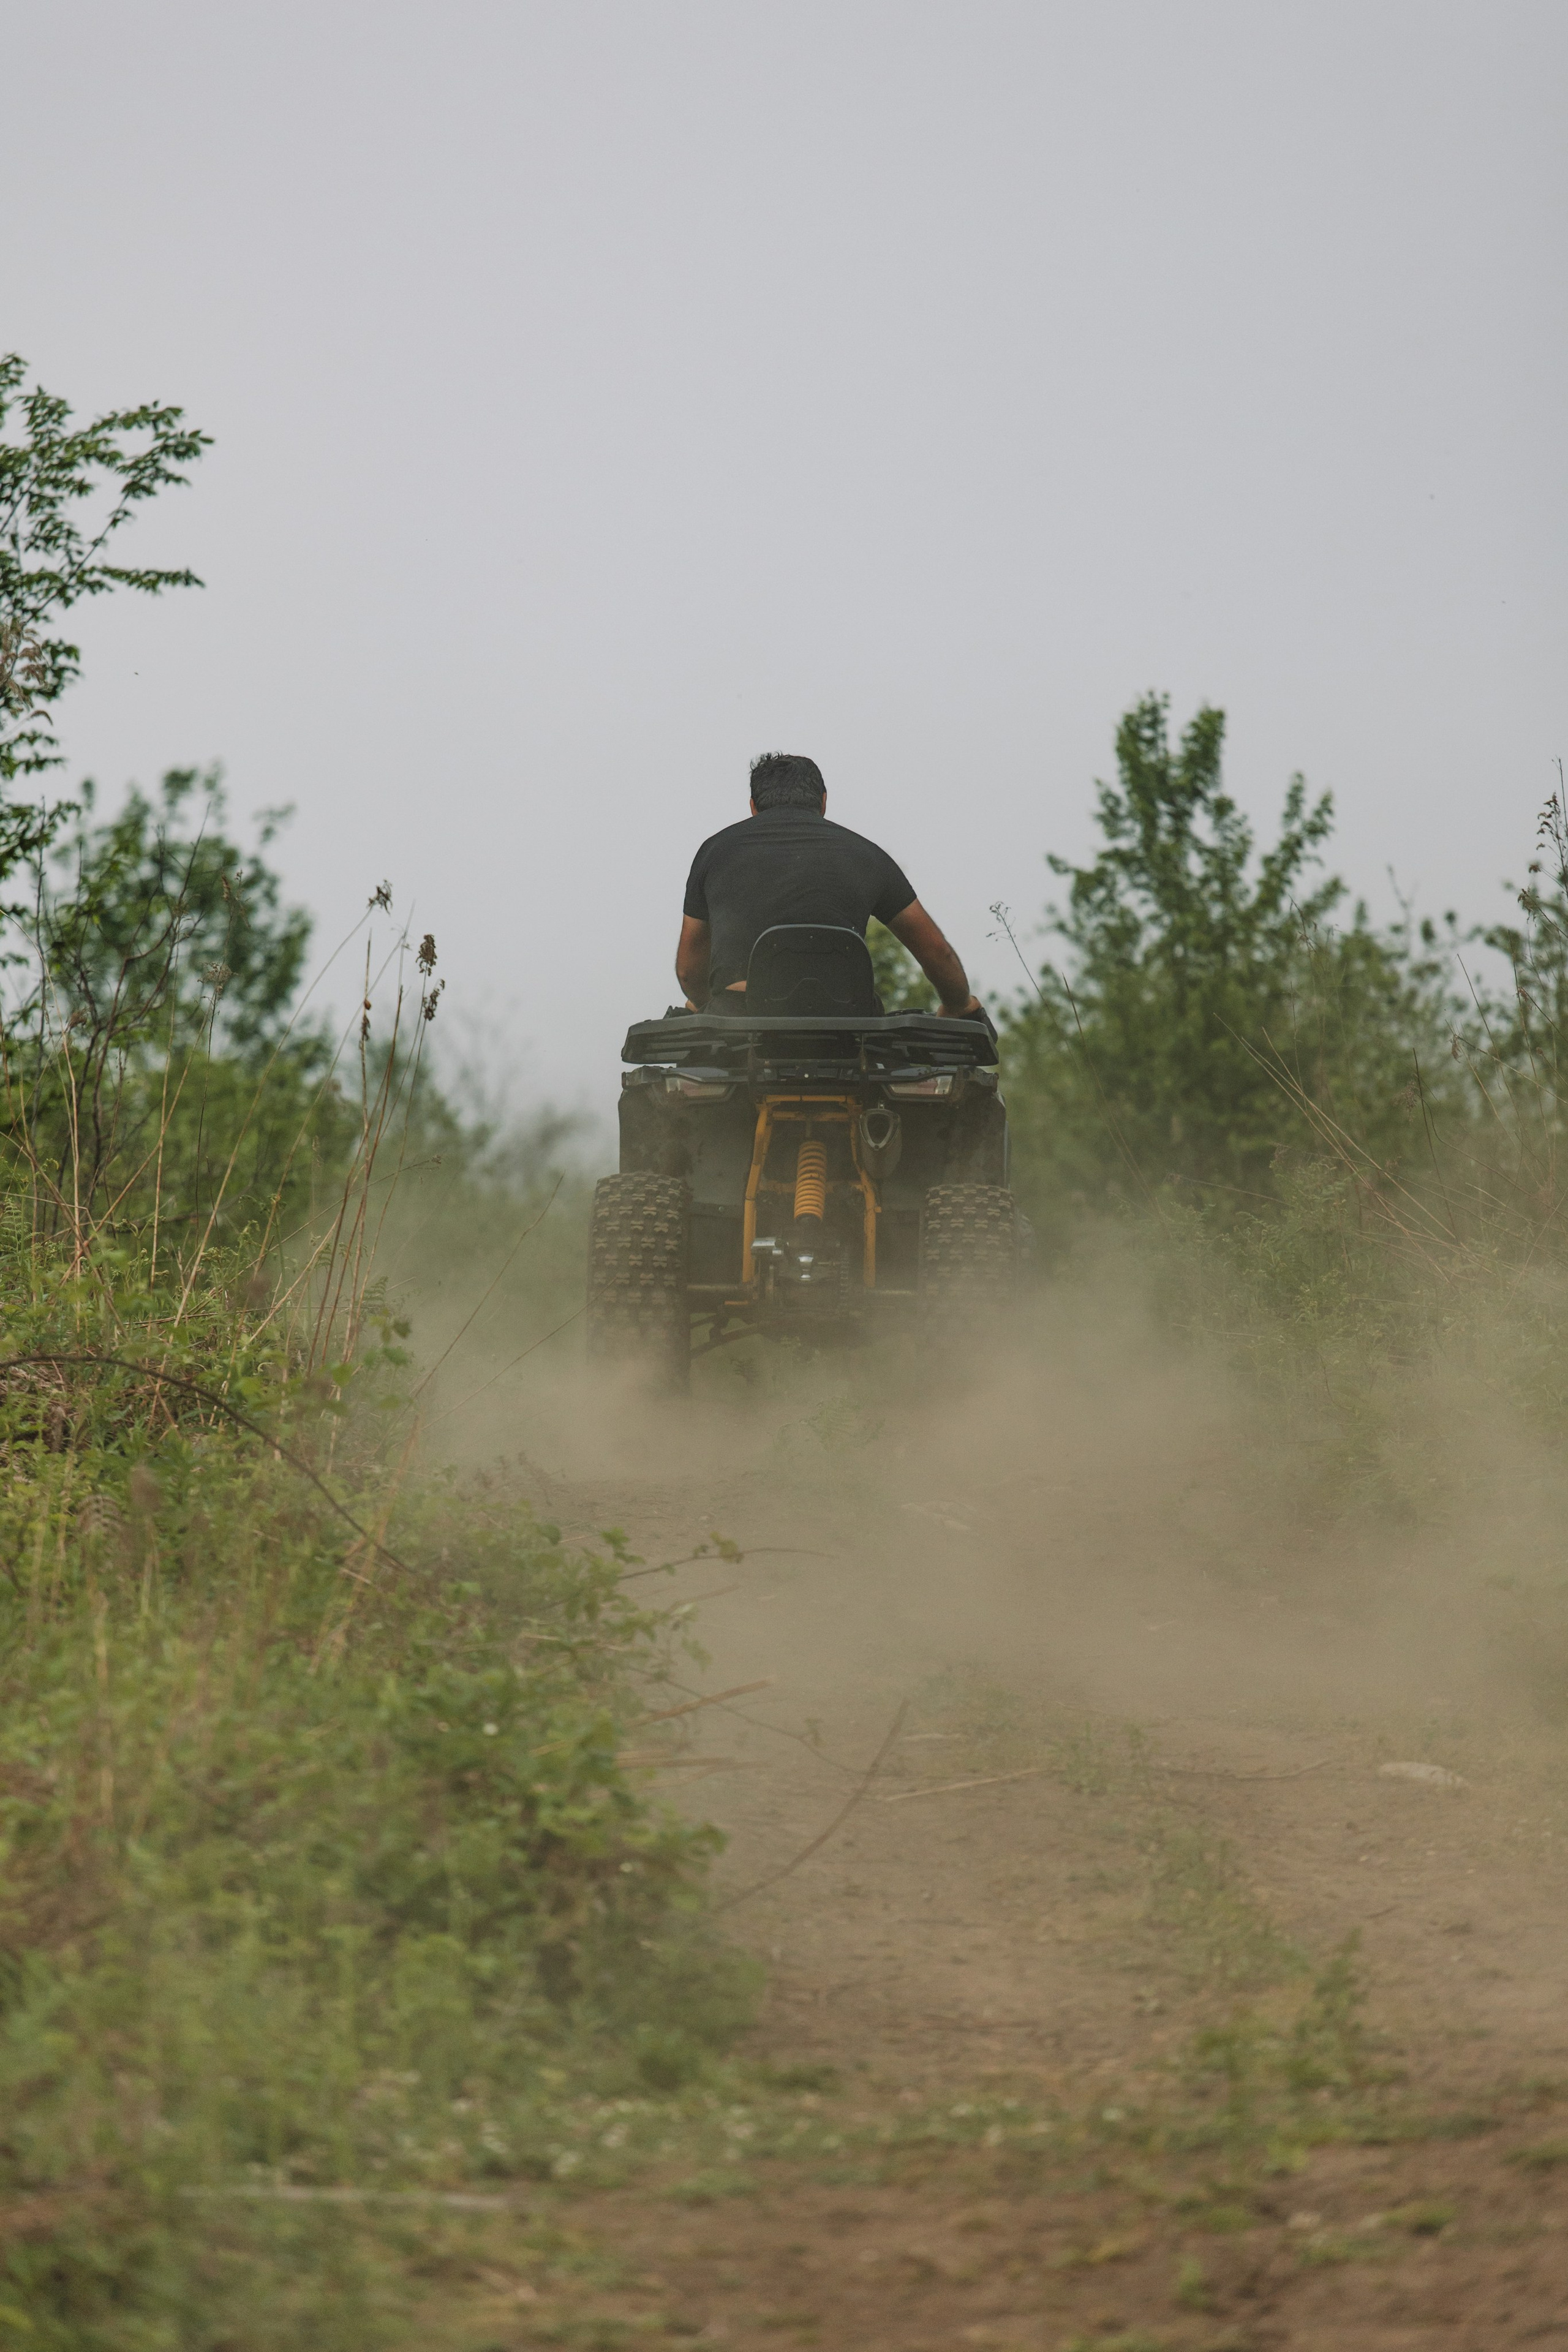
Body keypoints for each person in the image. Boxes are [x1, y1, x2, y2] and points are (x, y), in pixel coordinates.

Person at [676, 753, 984, 1018]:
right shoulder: (867, 855)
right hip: (848, 1022)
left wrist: (709, 1009)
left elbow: (688, 970)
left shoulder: (715, 852)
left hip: (739, 1017)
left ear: (754, 807)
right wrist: (958, 1004)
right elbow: (937, 952)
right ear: (823, 802)